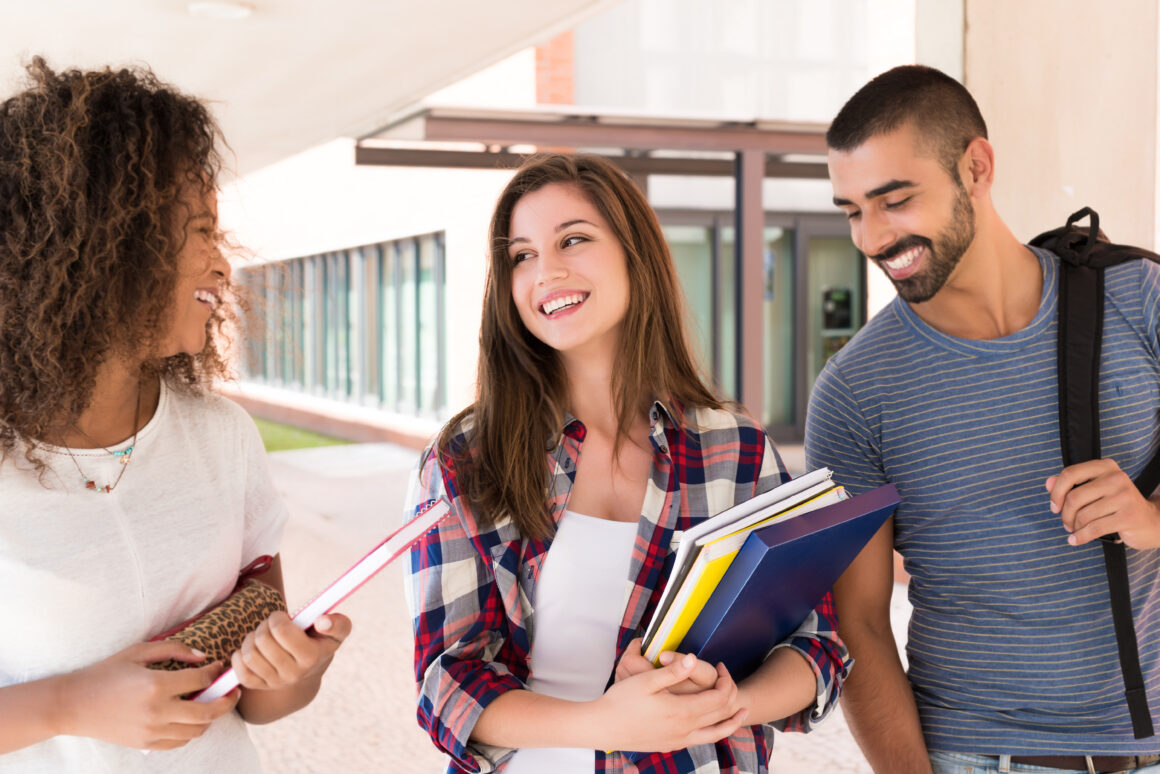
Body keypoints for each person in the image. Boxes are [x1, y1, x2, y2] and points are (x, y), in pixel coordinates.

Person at [403, 152, 851, 773]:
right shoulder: (464, 462)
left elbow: (815, 644)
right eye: (522, 255)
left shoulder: (735, 445)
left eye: (573, 240)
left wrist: (732, 704)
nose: (547, 271)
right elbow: (446, 679)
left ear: (634, 253)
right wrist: (607, 723)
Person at [805, 64, 1160, 774]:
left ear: (976, 166)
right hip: (980, 757)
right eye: (852, 210)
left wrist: (1152, 521)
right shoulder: (853, 394)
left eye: (894, 200)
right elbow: (862, 628)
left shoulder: (1140, 297)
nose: (871, 238)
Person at [0, 59, 351, 772]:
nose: (223, 267)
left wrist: (294, 671)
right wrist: (68, 704)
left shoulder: (221, 437)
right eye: (199, 232)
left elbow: (257, 702)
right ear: (103, 245)